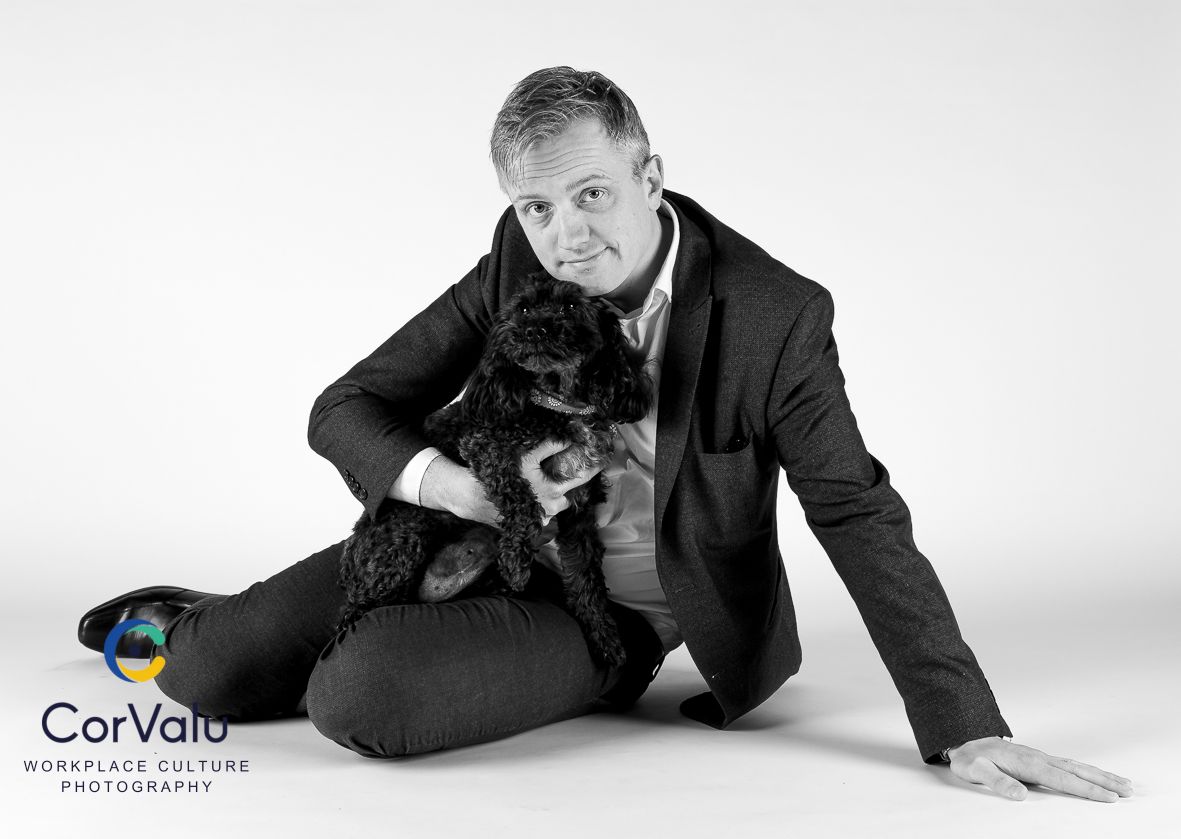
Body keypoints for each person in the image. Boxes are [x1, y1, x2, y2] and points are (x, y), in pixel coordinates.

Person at [78, 66, 1132, 802]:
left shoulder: (774, 315)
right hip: (470, 537)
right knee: (204, 673)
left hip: (605, 614)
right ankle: (213, 620)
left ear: (649, 177)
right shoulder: (517, 257)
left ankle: (344, 642)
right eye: (534, 207)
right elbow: (345, 406)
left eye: (589, 194)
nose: (565, 235)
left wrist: (961, 722)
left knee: (355, 696)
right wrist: (461, 490)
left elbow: (855, 510)